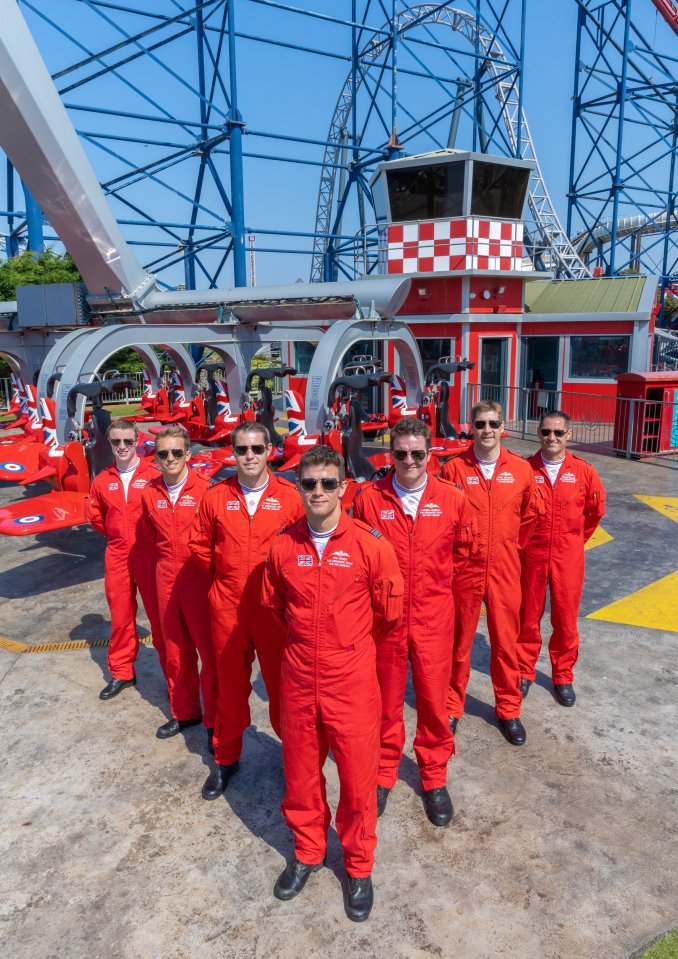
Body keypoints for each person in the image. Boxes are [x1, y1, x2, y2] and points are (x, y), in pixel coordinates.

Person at [262, 446, 403, 922]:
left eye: (327, 483)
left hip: (351, 680)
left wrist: (346, 649)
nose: (318, 491)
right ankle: (307, 852)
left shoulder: (371, 546)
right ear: (299, 488)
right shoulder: (283, 547)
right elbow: (276, 607)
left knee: (358, 782)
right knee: (301, 776)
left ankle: (359, 867)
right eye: (309, 484)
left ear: (343, 487)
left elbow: (388, 615)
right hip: (300, 677)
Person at [353, 417, 475, 825]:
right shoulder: (370, 498)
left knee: (433, 701)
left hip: (433, 616)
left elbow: (463, 551)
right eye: (401, 453)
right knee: (385, 702)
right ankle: (385, 771)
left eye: (417, 454)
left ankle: (434, 775)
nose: (408, 461)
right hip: (385, 620)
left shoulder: (453, 499)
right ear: (391, 454)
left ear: (429, 455)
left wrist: (434, 586)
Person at [189, 422, 304, 800]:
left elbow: (302, 551)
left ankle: (295, 761)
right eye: (242, 449)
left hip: (274, 611)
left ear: (270, 450)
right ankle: (226, 757)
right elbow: (201, 548)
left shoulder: (290, 497)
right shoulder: (215, 497)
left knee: (283, 689)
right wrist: (227, 582)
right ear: (233, 452)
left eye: (257, 448)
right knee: (229, 688)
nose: (249, 456)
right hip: (228, 607)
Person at [440, 400, 542, 746]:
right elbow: (443, 517)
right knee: (458, 642)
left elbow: (530, 516)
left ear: (503, 427)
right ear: (472, 427)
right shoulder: (454, 469)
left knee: (505, 642)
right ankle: (452, 705)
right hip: (465, 570)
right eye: (480, 424)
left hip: (504, 567)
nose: (486, 430)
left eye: (492, 423)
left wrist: (510, 547)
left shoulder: (521, 469)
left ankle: (509, 708)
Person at [517, 410, 606, 706]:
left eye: (557, 432)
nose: (551, 438)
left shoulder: (584, 472)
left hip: (568, 556)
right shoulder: (524, 469)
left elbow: (594, 513)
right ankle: (523, 671)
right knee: (527, 617)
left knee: (565, 620)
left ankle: (563, 676)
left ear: (568, 435)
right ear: (538, 434)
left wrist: (573, 541)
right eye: (546, 432)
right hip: (532, 554)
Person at [141, 425, 217, 744]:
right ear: (156, 458)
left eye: (176, 452)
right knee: (174, 649)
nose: (169, 458)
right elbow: (149, 536)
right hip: (165, 576)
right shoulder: (149, 493)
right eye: (163, 453)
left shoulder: (208, 491)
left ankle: (215, 720)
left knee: (210, 652)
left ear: (187, 454)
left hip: (199, 577)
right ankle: (185, 711)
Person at [87, 418, 164, 700]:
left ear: (137, 441)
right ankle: (122, 672)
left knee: (160, 619)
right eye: (116, 441)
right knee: (120, 617)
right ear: (109, 443)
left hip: (149, 554)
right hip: (118, 554)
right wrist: (119, 535)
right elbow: (95, 518)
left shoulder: (155, 475)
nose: (122, 446)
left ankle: (175, 678)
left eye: (128, 441)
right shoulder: (102, 480)